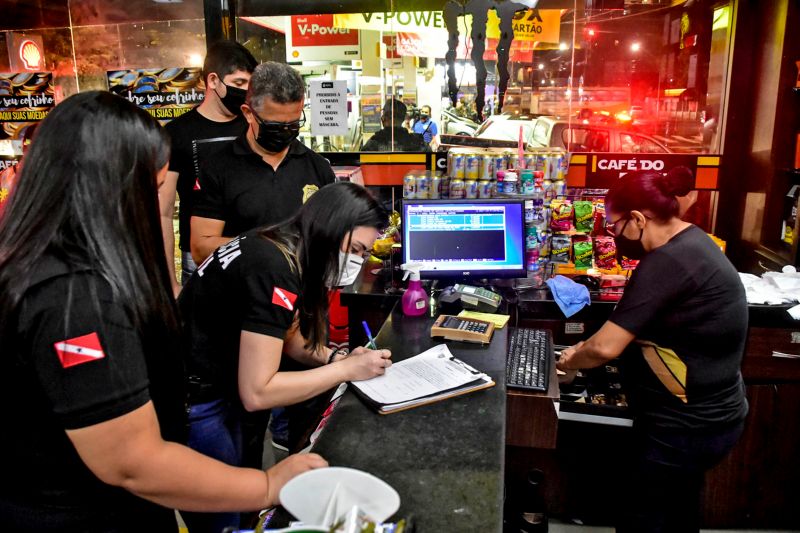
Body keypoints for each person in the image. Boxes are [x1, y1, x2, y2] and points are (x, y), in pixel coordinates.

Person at [0, 91, 326, 533]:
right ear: (109, 187)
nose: (159, 206)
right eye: (152, 190)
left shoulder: (48, 262)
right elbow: (132, 462)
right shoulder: (73, 298)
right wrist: (266, 485)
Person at [179, 182, 393, 533]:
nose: (357, 261)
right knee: (223, 519)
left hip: (217, 391)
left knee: (242, 509)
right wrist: (346, 371)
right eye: (355, 249)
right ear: (330, 227)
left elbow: (289, 339)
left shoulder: (279, 247)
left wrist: (336, 358)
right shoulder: (272, 266)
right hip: (196, 403)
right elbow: (259, 391)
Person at [556, 167, 748, 532]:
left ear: (639, 219)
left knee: (641, 519)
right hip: (712, 416)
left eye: (614, 227)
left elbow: (606, 348)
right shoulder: (693, 241)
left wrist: (572, 361)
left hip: (687, 425)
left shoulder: (667, 262)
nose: (613, 236)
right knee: (675, 512)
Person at [160, 41, 257, 295]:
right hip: (199, 255)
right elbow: (163, 213)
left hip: (251, 251)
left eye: (250, 84)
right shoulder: (177, 133)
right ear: (213, 80)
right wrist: (170, 284)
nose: (246, 91)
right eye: (238, 83)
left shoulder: (254, 127)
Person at [361, 99, 428, 152]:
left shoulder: (374, 142)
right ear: (403, 118)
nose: (382, 117)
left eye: (384, 114)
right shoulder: (417, 142)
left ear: (386, 117)